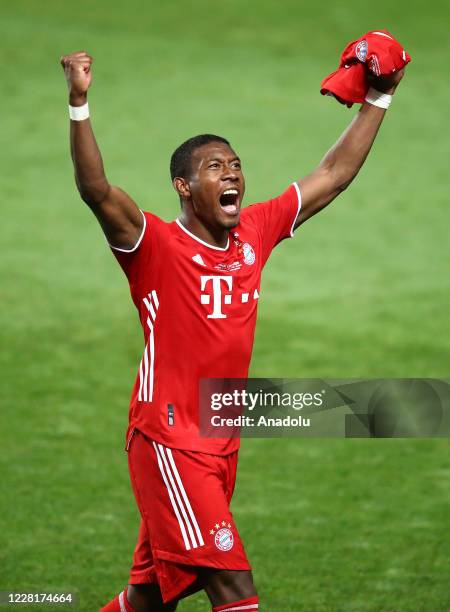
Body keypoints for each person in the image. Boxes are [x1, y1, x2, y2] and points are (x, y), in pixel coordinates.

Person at [60, 50, 405, 612]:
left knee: (147, 600)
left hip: (220, 443)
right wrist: (79, 103)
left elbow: (334, 174)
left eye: (237, 165)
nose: (233, 174)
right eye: (216, 167)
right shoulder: (153, 246)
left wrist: (379, 97)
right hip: (170, 441)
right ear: (183, 186)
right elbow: (96, 190)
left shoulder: (255, 231)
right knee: (235, 590)